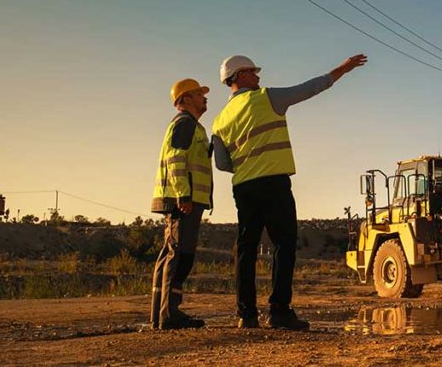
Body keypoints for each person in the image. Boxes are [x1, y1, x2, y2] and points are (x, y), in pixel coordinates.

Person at [212, 54, 367, 330]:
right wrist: (343, 68)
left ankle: (246, 315)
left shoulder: (219, 120)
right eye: (253, 72)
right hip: (273, 183)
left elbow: (223, 163)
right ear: (240, 76)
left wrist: (248, 163)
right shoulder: (266, 98)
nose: (258, 77)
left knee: (246, 249)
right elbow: (311, 87)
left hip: (243, 187)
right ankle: (279, 311)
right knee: (284, 244)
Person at [151, 78, 213, 330]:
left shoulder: (193, 127)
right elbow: (176, 159)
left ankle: (161, 315)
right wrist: (183, 195)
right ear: (185, 99)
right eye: (199, 94)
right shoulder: (185, 123)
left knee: (171, 254)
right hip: (183, 201)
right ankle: (169, 315)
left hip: (186, 199)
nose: (205, 98)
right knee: (179, 255)